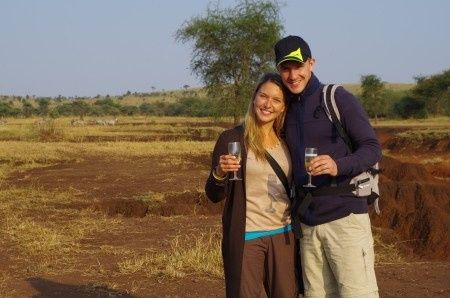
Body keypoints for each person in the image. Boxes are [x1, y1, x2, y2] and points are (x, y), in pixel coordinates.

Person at [274, 35, 381, 297]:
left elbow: (371, 147)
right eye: (285, 68)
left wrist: (338, 165)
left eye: (298, 66)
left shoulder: (335, 97)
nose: (292, 75)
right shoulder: (284, 108)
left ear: (311, 63)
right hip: (308, 224)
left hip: (345, 216)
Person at [205, 73, 302, 298]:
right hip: (248, 236)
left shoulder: (287, 140)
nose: (268, 104)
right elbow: (213, 194)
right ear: (254, 97)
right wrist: (219, 173)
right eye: (263, 96)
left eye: (276, 100)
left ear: (283, 107)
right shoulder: (232, 139)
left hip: (285, 235)